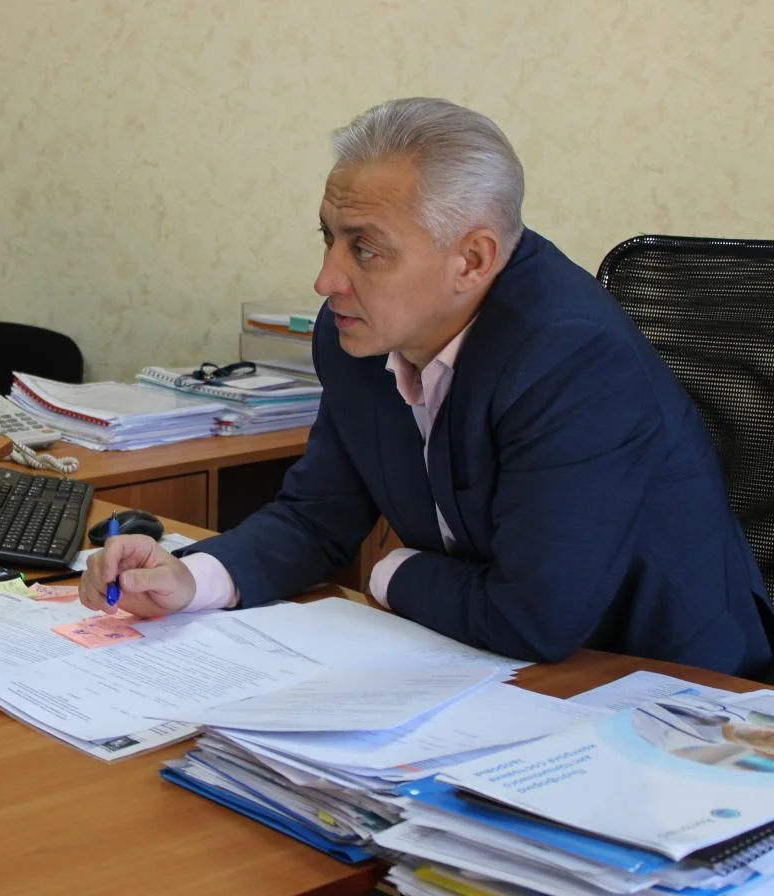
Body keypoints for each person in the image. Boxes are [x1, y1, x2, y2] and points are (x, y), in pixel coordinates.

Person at [81, 97, 773, 678]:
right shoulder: (354, 334)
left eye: (365, 248)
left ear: (472, 259)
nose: (326, 279)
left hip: (661, 687)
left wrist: (391, 572)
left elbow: (535, 617)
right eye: (328, 238)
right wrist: (189, 579)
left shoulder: (570, 357)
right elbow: (316, 517)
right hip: (483, 664)